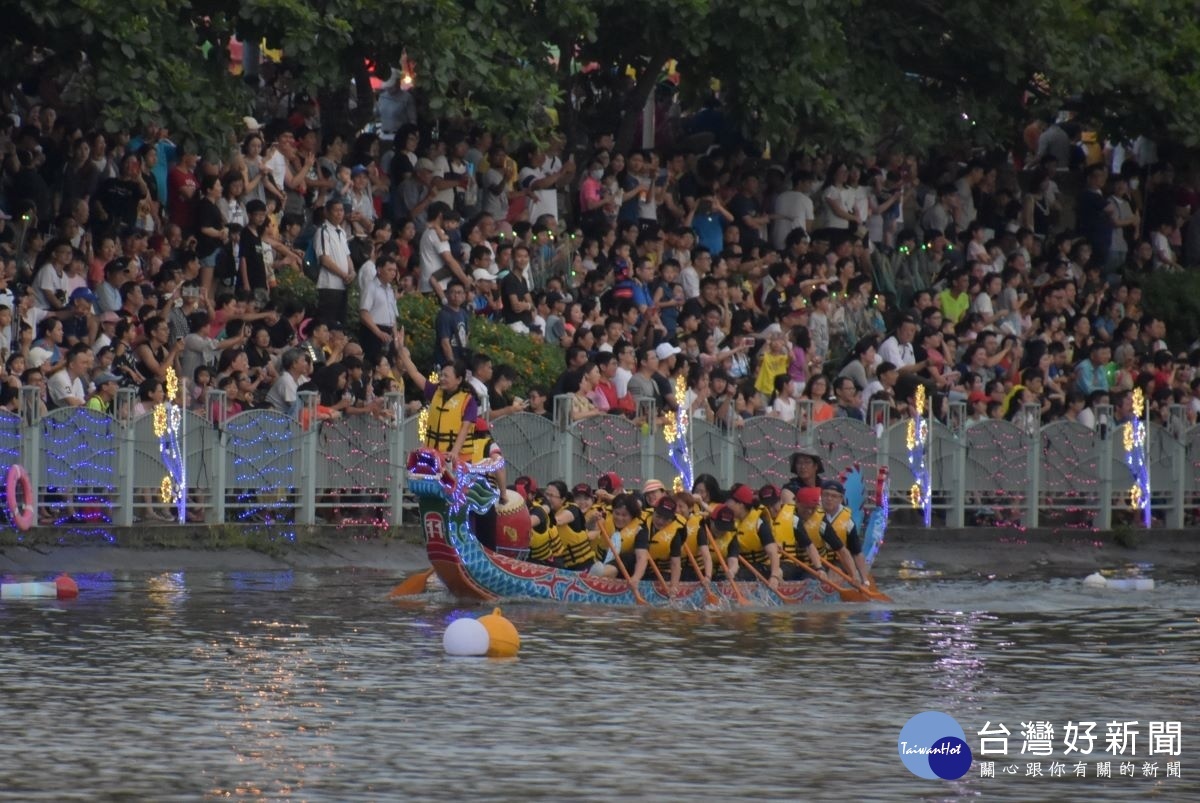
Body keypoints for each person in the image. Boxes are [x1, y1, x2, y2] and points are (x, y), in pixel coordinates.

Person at [397, 333, 476, 462]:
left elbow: (465, 429)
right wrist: (400, 349)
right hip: (433, 454)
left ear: (459, 379)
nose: (442, 379)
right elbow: (414, 373)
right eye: (442, 375)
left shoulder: (468, 401)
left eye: (446, 376)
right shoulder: (435, 391)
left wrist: (454, 452)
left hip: (456, 458)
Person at [803, 479, 871, 586]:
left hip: (840, 560)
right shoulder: (810, 511)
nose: (829, 499)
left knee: (834, 572)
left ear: (841, 499)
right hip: (815, 560)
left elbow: (856, 552)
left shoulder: (848, 522)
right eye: (826, 495)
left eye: (834, 496)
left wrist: (864, 580)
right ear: (821, 495)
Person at [757, 484, 827, 582]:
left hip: (787, 563)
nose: (771, 509)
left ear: (780, 500)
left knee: (777, 572)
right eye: (767, 506)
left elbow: (808, 545)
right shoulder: (758, 520)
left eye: (774, 504)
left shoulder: (792, 519)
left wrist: (819, 568)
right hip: (766, 563)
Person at [723, 484, 783, 589]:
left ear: (740, 504)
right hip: (741, 566)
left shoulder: (759, 523)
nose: (726, 504)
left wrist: (774, 576)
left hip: (763, 567)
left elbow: (773, 553)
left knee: (740, 576)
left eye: (729, 501)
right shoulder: (731, 522)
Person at [628, 495, 686, 594]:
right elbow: (641, 557)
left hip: (662, 572)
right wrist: (636, 578)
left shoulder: (675, 534)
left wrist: (674, 586)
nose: (660, 521)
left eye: (666, 519)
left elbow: (675, 563)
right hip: (640, 567)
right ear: (653, 511)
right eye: (658, 516)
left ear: (672, 519)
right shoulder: (643, 527)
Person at [314, 199, 355, 326]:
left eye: (341, 210)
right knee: (327, 323)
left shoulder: (342, 232)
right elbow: (324, 259)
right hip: (329, 285)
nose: (339, 214)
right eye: (336, 210)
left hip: (342, 286)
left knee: (339, 324)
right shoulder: (323, 231)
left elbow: (347, 256)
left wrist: (352, 272)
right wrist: (344, 275)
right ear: (327, 212)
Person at [542, 480, 598, 572]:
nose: (547, 498)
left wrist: (542, 511)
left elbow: (558, 521)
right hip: (564, 567)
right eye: (546, 494)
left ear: (563, 499)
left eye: (551, 496)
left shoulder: (573, 509)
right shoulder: (547, 512)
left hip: (584, 566)